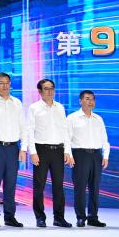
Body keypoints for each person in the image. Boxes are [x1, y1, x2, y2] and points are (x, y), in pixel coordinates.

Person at [26, 78, 73, 228]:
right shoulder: (34, 108)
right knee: (39, 186)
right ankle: (40, 217)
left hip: (58, 150)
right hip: (41, 150)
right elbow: (29, 131)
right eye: (46, 88)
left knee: (58, 186)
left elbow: (65, 130)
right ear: (40, 91)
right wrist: (33, 152)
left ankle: (59, 218)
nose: (50, 91)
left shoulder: (60, 107)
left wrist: (67, 151)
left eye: (52, 88)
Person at [0, 72, 26, 227]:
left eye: (7, 82)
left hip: (13, 148)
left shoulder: (17, 103)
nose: (5, 85)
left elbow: (23, 126)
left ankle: (10, 216)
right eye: (1, 83)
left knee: (11, 184)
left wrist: (23, 148)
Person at [68, 90, 110, 227]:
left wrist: (105, 155)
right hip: (80, 155)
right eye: (87, 99)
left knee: (95, 187)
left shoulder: (98, 119)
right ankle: (81, 217)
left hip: (96, 155)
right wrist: (68, 155)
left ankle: (93, 217)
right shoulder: (72, 118)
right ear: (80, 101)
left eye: (92, 99)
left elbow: (104, 139)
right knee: (80, 187)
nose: (90, 101)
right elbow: (66, 139)